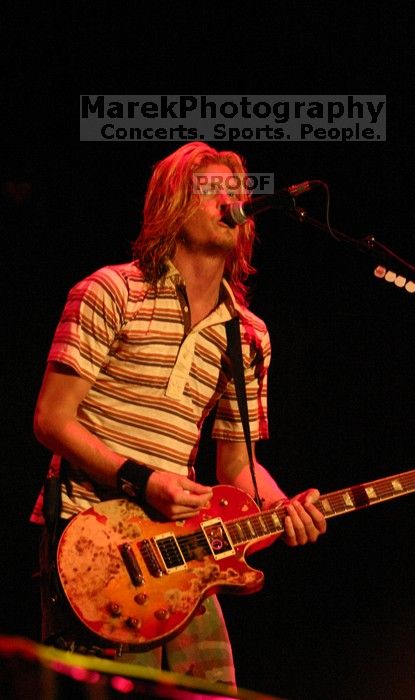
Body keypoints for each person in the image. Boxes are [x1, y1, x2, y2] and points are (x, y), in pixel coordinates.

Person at [31, 142, 326, 687]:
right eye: (212, 189)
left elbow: (237, 465)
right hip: (95, 540)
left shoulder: (249, 336)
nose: (233, 201)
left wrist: (284, 507)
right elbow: (51, 419)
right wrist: (142, 480)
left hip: (183, 550)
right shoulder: (111, 292)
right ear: (170, 205)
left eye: (237, 191)